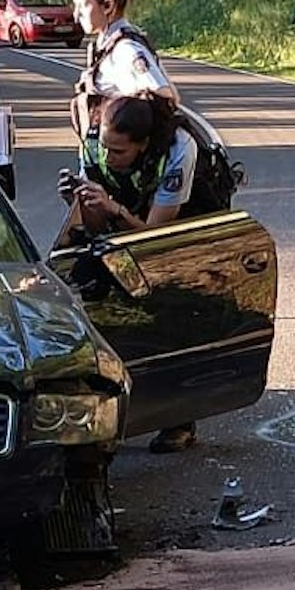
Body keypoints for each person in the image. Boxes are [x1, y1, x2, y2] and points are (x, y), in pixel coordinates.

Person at [60, 92, 204, 454]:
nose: (108, 157)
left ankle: (179, 418)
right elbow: (94, 227)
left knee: (168, 316)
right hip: (120, 216)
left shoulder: (178, 150)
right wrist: (83, 202)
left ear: (142, 145)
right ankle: (103, 417)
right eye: (105, 147)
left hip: (176, 224)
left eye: (119, 151)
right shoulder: (95, 144)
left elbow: (155, 236)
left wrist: (115, 209)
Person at [69, 0, 179, 144]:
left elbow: (166, 96)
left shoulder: (126, 49)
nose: (76, 15)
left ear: (107, 6)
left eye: (83, 5)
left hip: (126, 166)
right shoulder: (106, 46)